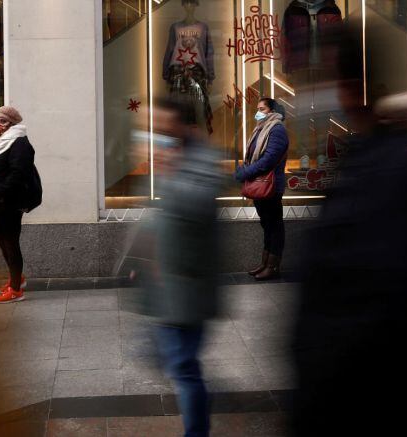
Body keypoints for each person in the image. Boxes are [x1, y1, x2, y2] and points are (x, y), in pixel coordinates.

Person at [291, 32, 407, 434]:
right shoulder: (357, 165)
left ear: (352, 88)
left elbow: (392, 305)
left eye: (321, 77)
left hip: (365, 400)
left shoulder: (400, 172)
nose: (312, 93)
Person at [138, 98, 223, 437]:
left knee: (184, 367)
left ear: (185, 127)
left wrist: (169, 169)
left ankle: (197, 427)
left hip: (190, 284)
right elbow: (159, 217)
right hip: (166, 283)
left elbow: (199, 205)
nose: (156, 135)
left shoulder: (203, 159)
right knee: (174, 360)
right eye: (152, 128)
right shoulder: (170, 160)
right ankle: (200, 402)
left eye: (163, 128)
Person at [0, 106, 37, 304]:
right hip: (0, 200)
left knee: (10, 243)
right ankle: (16, 279)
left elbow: (18, 173)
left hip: (10, 201)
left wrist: (1, 189)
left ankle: (15, 290)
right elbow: (3, 166)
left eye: (3, 121)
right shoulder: (2, 141)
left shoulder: (20, 143)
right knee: (2, 241)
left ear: (12, 123)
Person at [235, 97, 289, 281]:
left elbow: (268, 160)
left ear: (272, 110)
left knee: (275, 226)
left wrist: (245, 172)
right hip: (259, 184)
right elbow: (253, 155)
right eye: (257, 108)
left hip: (271, 186)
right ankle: (265, 263)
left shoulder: (277, 129)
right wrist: (244, 168)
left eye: (262, 108)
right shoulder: (260, 129)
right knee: (267, 226)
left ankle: (273, 267)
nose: (258, 112)